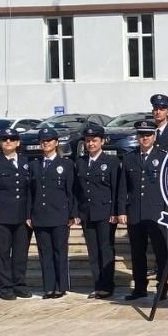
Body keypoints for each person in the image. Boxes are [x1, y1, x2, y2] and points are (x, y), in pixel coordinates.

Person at [119, 121, 168, 301]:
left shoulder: (163, 157)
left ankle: (162, 286)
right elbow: (123, 187)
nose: (145, 138)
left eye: (148, 135)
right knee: (137, 253)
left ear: (154, 137)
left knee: (161, 252)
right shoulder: (129, 158)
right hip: (135, 212)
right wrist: (122, 210)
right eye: (142, 135)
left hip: (157, 213)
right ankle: (140, 287)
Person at [0, 128, 32, 300]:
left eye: (11, 139)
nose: (8, 142)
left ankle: (19, 285)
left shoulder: (26, 161)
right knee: (3, 253)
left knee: (20, 253)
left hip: (22, 215)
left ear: (18, 142)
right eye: (4, 139)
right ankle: (5, 287)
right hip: (1, 215)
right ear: (0, 143)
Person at [74, 125, 124, 299]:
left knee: (106, 249)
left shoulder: (111, 162)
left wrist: (115, 211)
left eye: (94, 140)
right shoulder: (80, 162)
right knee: (93, 251)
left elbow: (116, 189)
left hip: (105, 213)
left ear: (102, 141)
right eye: (88, 141)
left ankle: (107, 285)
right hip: (87, 213)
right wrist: (76, 213)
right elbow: (77, 190)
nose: (91, 144)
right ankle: (98, 284)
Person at [28, 128, 75, 299]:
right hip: (40, 215)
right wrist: (29, 214)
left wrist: (72, 213)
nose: (46, 143)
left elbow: (71, 191)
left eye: (49, 140)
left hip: (59, 215)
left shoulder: (66, 165)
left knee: (59, 252)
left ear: (56, 142)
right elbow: (30, 193)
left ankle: (61, 286)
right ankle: (49, 287)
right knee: (45, 253)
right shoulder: (34, 165)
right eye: (43, 141)